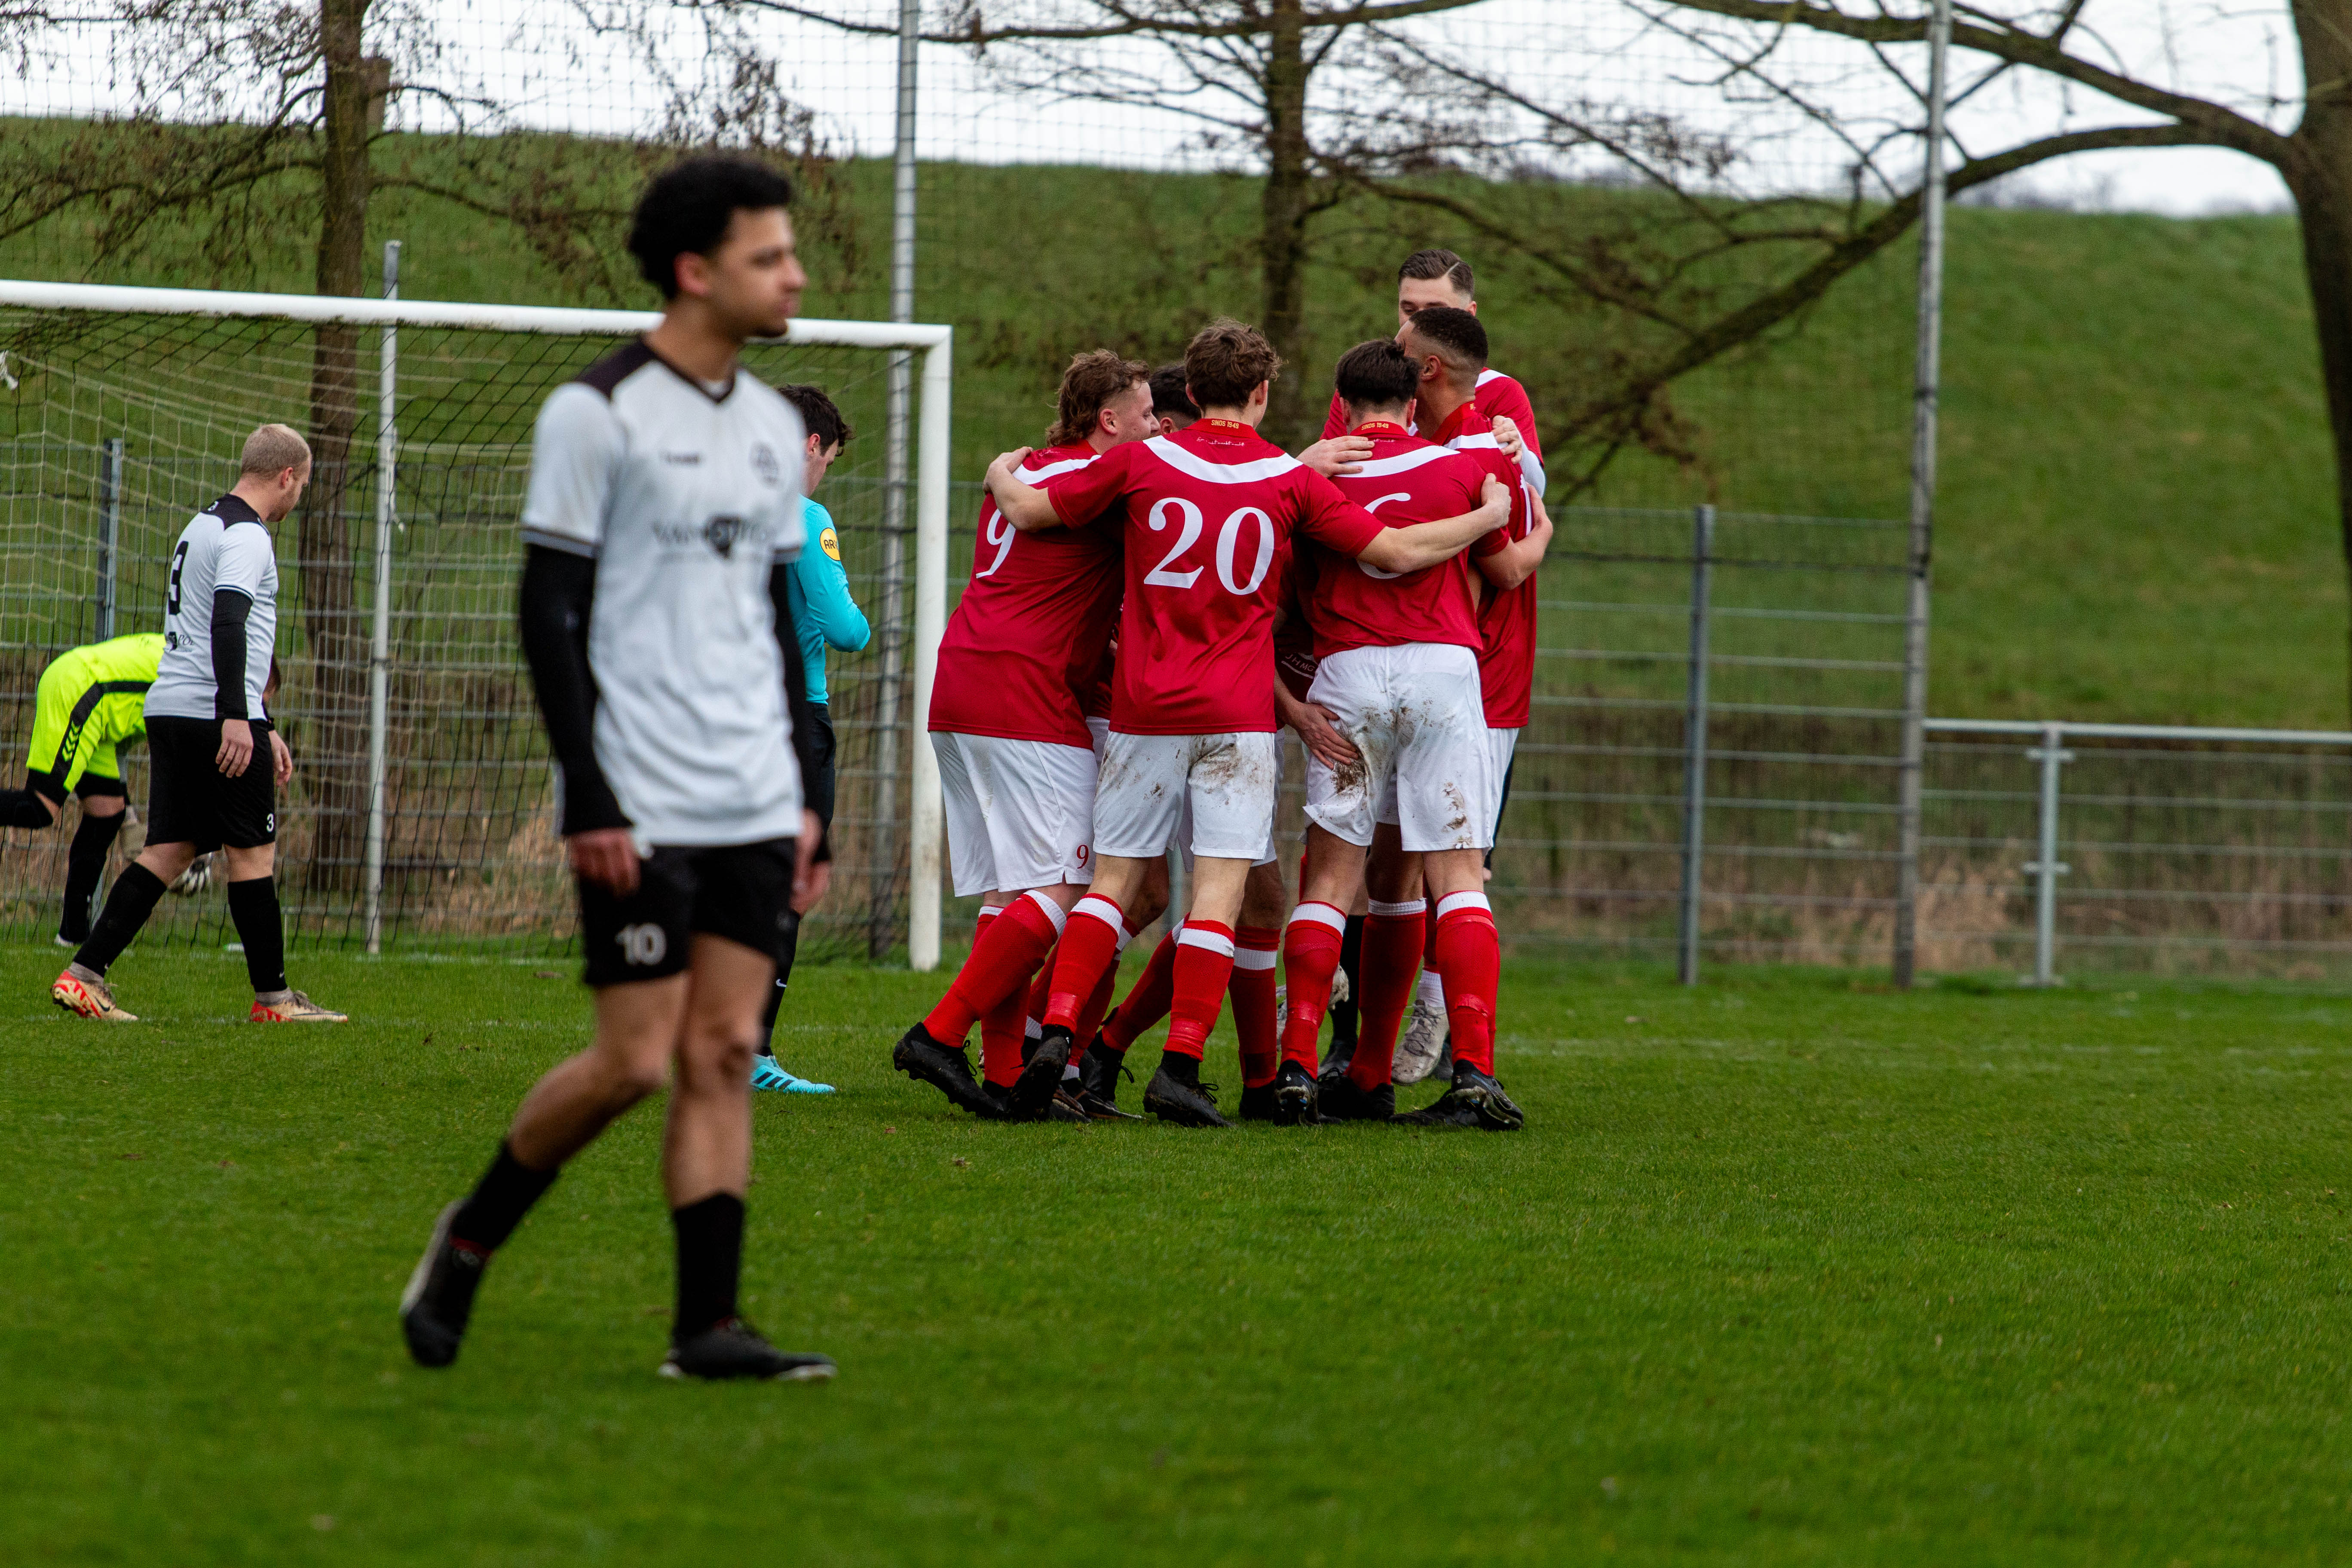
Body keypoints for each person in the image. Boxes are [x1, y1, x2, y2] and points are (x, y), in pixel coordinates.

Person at [399, 156, 836, 1383]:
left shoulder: (766, 427)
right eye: (770, 256)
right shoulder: (593, 413)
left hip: (753, 789)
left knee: (721, 1048)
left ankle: (708, 1329)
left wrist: (805, 793)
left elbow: (761, 615)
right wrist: (585, 789)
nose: (795, 274)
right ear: (698, 273)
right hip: (638, 791)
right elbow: (550, 609)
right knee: (636, 1059)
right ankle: (469, 1238)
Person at [987, 318, 1510, 1128]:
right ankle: (1188, 1062)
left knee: (1115, 883)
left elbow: (1027, 506)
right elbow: (1396, 553)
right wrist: (1490, 516)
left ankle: (1060, 1034)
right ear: (1263, 392)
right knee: (1225, 896)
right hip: (1239, 710)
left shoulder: (1141, 459)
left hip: (1142, 704)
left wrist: (998, 470)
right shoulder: (1290, 481)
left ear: (1187, 394)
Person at [891, 351, 1158, 1122]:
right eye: (1145, 416)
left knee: (1011, 889)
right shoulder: (1101, 480)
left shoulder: (1030, 464)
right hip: (1024, 690)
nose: (1156, 430)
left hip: (962, 675)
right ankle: (939, 1032)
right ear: (1109, 420)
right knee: (1072, 881)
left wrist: (999, 472)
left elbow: (1018, 499)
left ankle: (1005, 1071)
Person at [1278, 337, 1532, 1132]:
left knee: (1331, 879)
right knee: (1456, 875)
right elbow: (1509, 569)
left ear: (1342, 400)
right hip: (1441, 675)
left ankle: (1295, 1066)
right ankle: (1474, 1074)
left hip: (1348, 672)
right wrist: (1531, 516)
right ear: (1413, 402)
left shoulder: (1308, 478)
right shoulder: (1459, 468)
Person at [49, 426, 338, 1025]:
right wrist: (239, 715)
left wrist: (265, 721)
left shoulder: (202, 524)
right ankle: (276, 1001)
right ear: (286, 476)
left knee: (170, 851)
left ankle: (83, 976)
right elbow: (229, 623)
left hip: (173, 707)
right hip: (216, 714)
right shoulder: (248, 536)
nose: (298, 498)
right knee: (254, 854)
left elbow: (227, 632)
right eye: (302, 486)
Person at [748, 382, 872, 1096]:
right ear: (809, 446)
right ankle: (752, 1049)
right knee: (790, 879)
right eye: (828, 457)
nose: (826, 471)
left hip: (718, 713)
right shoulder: (804, 514)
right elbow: (847, 628)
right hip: (794, 716)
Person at [1320, 247, 1546, 498]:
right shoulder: (1364, 383)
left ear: (1469, 315)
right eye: (1409, 309)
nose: (1418, 322)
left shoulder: (1500, 390)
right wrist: (1303, 467)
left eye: (1435, 310)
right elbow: (1328, 479)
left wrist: (1520, 451)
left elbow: (1535, 493)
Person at [0, 630, 177, 946]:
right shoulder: (200, 682)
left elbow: (124, 740)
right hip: (80, 691)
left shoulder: (188, 656)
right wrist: (186, 846)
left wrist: (132, 821)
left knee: (108, 814)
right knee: (39, 808)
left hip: (99, 713)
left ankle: (72, 935)